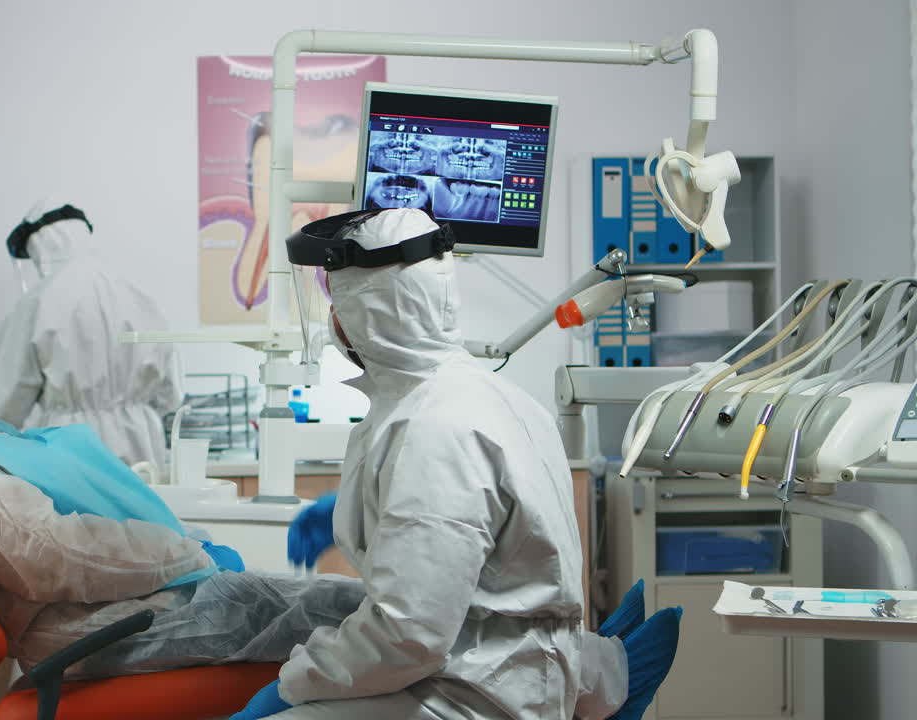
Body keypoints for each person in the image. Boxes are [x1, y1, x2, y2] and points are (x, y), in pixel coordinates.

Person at [231, 208, 682, 720]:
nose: (332, 320)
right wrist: (364, 509)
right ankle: (605, 673)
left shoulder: (434, 427)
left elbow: (407, 637)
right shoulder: (481, 396)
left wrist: (297, 679)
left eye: (338, 301)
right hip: (495, 666)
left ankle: (606, 680)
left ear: (366, 311)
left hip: (473, 691)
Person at [0, 295, 365, 678]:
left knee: (350, 612)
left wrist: (182, 544)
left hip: (122, 609)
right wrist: (186, 552)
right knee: (363, 622)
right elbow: (51, 554)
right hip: (102, 631)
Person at [0, 200, 182, 467]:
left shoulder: (38, 303)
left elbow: (2, 405)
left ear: (41, 247)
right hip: (141, 443)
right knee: (137, 494)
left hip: (70, 446)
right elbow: (170, 394)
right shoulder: (140, 297)